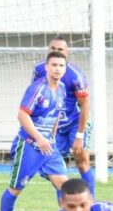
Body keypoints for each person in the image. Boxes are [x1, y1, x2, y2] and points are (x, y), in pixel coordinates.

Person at [0, 50, 68, 211]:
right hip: (29, 146)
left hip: (49, 147)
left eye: (61, 65)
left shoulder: (62, 89)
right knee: (15, 189)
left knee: (64, 185)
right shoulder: (37, 88)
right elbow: (22, 115)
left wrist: (52, 138)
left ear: (65, 69)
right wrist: (39, 138)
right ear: (46, 67)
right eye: (53, 65)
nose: (57, 69)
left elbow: (57, 115)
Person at [31, 36, 94, 194]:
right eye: (53, 49)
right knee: (54, 170)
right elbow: (33, 98)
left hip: (74, 123)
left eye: (60, 49)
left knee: (82, 162)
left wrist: (79, 135)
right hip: (53, 126)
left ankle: (90, 204)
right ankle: (64, 206)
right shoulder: (39, 70)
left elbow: (85, 105)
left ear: (67, 53)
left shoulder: (75, 76)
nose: (56, 52)